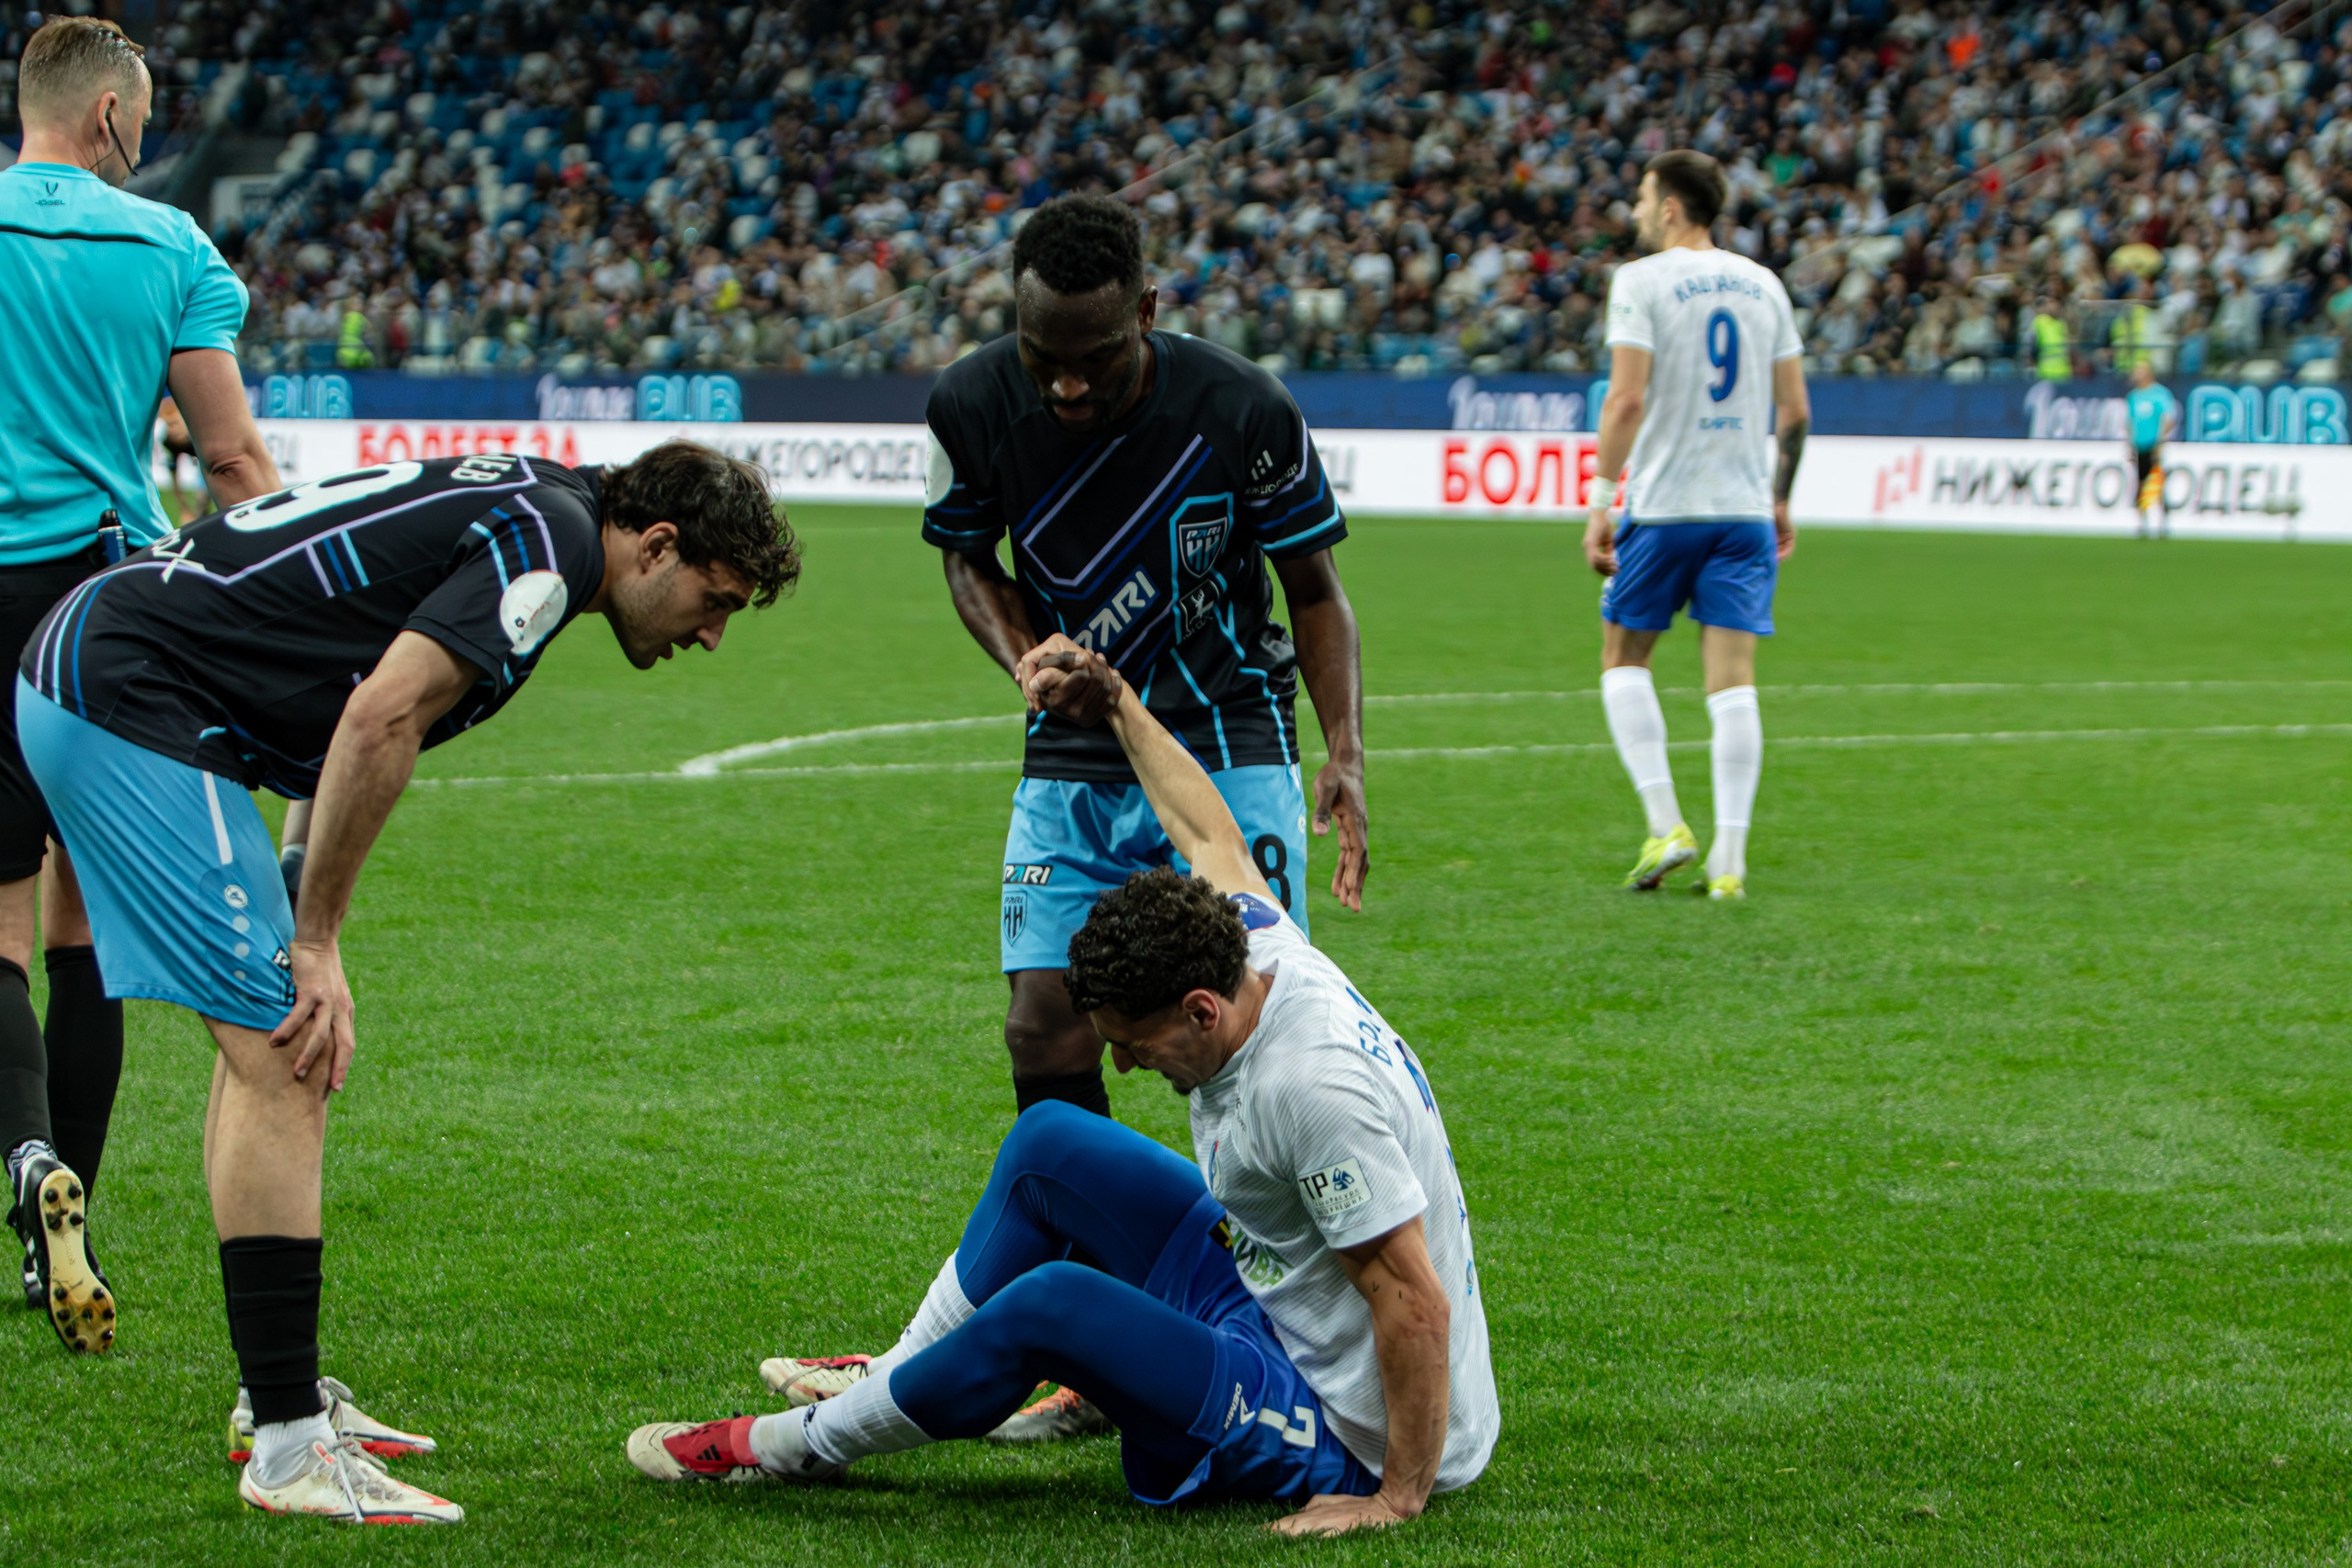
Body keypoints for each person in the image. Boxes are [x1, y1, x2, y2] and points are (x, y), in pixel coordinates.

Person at [10, 440, 799, 1524]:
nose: (710, 634)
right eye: (713, 601)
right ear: (655, 544)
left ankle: (272, 1401)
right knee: (289, 1049)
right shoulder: (555, 548)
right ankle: (288, 1445)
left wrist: (298, 890)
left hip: (115, 666)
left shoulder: (546, 499)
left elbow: (342, 681)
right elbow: (380, 715)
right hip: (123, 692)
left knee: (269, 1045)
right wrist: (318, 937)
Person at [627, 633, 1497, 1537]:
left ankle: (781, 1445)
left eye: (1135, 1040)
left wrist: (1395, 1495)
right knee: (1051, 1139)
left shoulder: (1310, 1089)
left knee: (1052, 1304)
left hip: (1342, 1419)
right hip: (1276, 1303)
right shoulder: (1251, 939)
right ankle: (896, 1372)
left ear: (1200, 1009)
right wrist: (1117, 698)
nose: (1121, 1065)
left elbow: (1411, 1301)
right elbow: (1204, 826)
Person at [922, 201, 1367, 1145]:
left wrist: (1346, 752)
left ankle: (1266, 1273)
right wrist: (1030, 663)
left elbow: (1315, 592)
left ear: (1148, 312)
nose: (1069, 386)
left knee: (1247, 1019)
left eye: (1097, 356)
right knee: (1042, 1026)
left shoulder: (1243, 409)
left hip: (1226, 738)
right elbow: (966, 556)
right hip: (1073, 749)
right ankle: (1083, 1263)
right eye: (1045, 356)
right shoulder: (969, 406)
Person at [0, 15, 284, 1333]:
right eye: (146, 119)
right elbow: (229, 459)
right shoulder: (171, 243)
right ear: (111, 114)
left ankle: (24, 1161)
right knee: (82, 929)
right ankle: (71, 1215)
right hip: (98, 604)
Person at [1584, 150, 1808, 900]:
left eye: (1645, 199)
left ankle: (1666, 824)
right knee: (1733, 682)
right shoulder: (1764, 283)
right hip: (1744, 510)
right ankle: (1730, 865)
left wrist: (1600, 498)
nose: (1639, 213)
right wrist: (1781, 496)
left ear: (1673, 207)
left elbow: (1624, 401)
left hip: (1666, 505)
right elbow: (1796, 411)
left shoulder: (1640, 282)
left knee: (1623, 655)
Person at [2124, 362, 2178, 540]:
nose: (2135, 375)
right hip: (2139, 445)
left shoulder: (2159, 394)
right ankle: (2142, 524)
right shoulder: (2133, 397)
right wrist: (2129, 444)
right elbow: (2130, 422)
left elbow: (2168, 418)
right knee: (2140, 484)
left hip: (2153, 445)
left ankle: (2162, 524)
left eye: (2138, 372)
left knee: (2156, 484)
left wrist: (2161, 441)